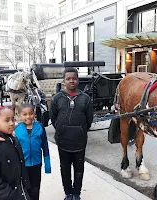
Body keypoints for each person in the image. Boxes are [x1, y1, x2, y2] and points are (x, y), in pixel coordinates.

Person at [50, 67, 93, 200]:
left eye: (74, 78)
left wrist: (80, 130)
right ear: (64, 81)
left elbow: (89, 120)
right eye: (68, 79)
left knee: (79, 169)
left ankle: (76, 193)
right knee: (65, 168)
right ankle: (68, 193)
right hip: (63, 140)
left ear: (78, 80)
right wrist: (62, 129)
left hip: (79, 140)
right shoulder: (57, 98)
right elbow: (53, 118)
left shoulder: (85, 99)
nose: (71, 81)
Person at [14, 103, 51, 200]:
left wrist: (47, 165)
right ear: (19, 115)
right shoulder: (16, 130)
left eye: (30, 113)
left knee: (35, 188)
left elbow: (45, 146)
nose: (28, 117)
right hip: (22, 165)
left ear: (34, 114)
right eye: (25, 114)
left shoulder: (40, 127)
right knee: (25, 188)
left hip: (36, 164)